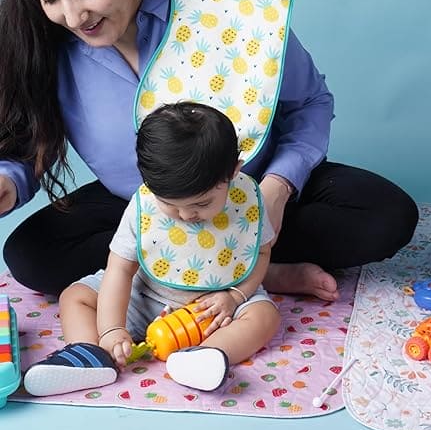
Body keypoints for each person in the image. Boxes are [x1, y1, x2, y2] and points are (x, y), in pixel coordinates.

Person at [0, 0, 419, 302]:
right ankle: (262, 271)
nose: (72, 16)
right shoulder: (47, 46)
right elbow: (31, 142)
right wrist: (8, 181)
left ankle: (230, 260)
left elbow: (309, 103)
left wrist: (277, 188)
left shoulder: (223, 11)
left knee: (387, 215)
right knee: (30, 254)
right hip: (143, 210)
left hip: (246, 190)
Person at [24, 102, 280, 395]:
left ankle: (207, 356)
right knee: (75, 296)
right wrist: (111, 328)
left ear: (234, 171)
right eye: (170, 205)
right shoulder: (143, 206)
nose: (186, 216)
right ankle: (89, 355)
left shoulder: (247, 200)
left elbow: (261, 253)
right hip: (145, 298)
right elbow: (119, 269)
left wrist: (236, 296)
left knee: (264, 316)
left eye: (202, 203)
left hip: (217, 309)